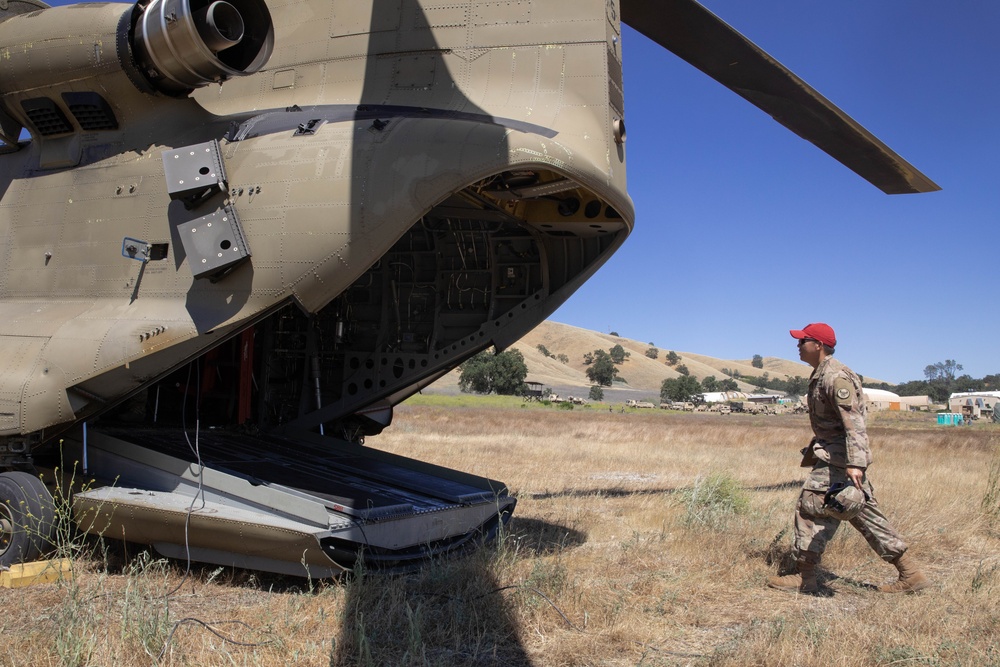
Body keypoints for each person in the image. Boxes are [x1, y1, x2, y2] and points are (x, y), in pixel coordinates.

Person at [767, 322, 929, 595]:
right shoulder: (821, 374)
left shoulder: (836, 377)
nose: (797, 345)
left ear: (818, 345)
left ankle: (805, 577)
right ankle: (911, 574)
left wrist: (855, 463)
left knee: (809, 507)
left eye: (802, 340)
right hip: (836, 456)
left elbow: (853, 424)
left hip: (840, 460)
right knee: (861, 512)